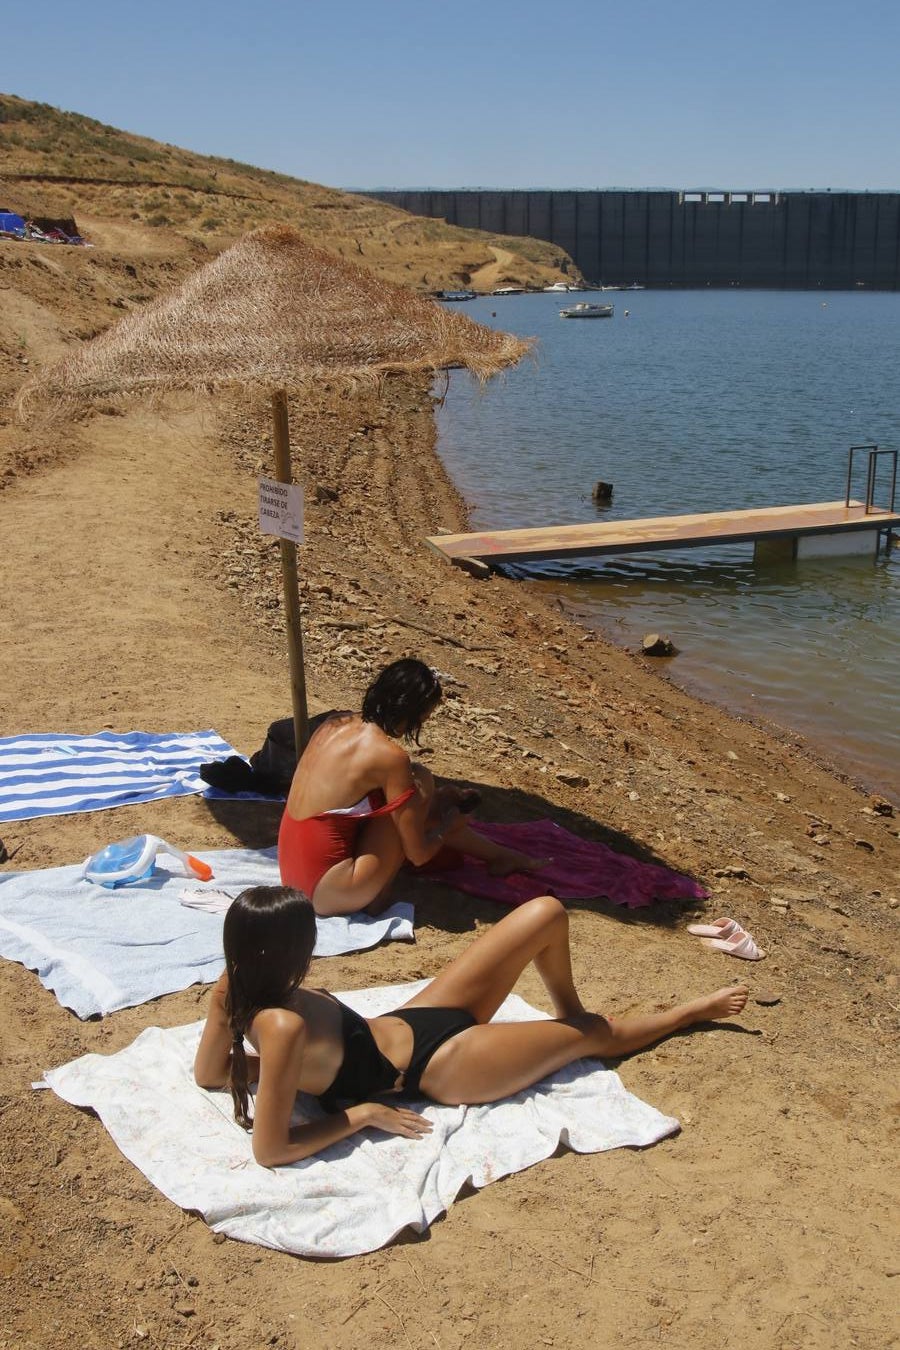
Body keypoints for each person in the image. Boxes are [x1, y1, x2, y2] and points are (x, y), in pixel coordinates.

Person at [194, 885, 749, 1167]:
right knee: (596, 1037)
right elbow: (270, 1150)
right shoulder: (281, 1026)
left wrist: (283, 1074)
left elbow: (207, 1073)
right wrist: (358, 1113)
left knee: (547, 912)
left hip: (411, 1020)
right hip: (439, 1068)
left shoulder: (233, 983)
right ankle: (690, 1013)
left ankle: (567, 1014)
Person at [278, 658, 546, 916]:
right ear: (411, 713)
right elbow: (418, 854)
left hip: (292, 874)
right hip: (327, 893)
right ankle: (378, 894)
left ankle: (501, 856)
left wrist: (436, 801)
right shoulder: (389, 757)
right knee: (419, 784)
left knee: (413, 801)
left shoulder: (333, 723)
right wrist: (445, 823)